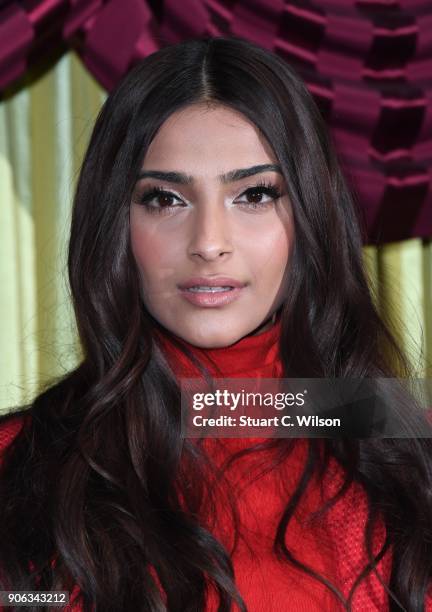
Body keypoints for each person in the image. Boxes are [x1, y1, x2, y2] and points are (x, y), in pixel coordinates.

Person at [0, 35, 432, 612]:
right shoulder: (16, 467)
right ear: (114, 226)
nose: (208, 243)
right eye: (165, 199)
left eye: (253, 194)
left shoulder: (412, 454)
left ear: (309, 216)